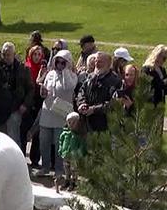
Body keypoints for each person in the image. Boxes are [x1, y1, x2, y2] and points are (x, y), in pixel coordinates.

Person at [39, 50, 77, 185]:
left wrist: (66, 70)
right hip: (47, 112)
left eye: (63, 62)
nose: (60, 64)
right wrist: (43, 92)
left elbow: (68, 87)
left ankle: (59, 169)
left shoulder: (72, 76)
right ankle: (45, 167)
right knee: (44, 142)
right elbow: (46, 90)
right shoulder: (50, 74)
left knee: (59, 144)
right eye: (58, 61)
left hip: (61, 115)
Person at [78, 52, 121, 134]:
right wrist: (82, 103)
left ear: (108, 64)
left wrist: (94, 109)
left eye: (100, 62)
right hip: (88, 124)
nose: (97, 64)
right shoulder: (90, 77)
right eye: (96, 61)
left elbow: (114, 103)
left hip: (105, 126)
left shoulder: (115, 81)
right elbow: (81, 91)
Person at [0, 42, 33, 143]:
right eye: (4, 54)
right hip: (1, 109)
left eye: (8, 54)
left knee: (13, 138)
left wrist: (25, 104)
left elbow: (31, 89)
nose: (6, 57)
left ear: (14, 54)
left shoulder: (23, 69)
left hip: (16, 108)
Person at [141, 44, 167, 109]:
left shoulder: (161, 69)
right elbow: (146, 86)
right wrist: (162, 83)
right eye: (164, 58)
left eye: (166, 58)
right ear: (157, 55)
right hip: (150, 101)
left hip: (160, 99)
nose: (165, 60)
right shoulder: (147, 69)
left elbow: (164, 79)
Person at [59, 112, 85, 189]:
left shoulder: (79, 135)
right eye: (69, 122)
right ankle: (67, 180)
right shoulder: (65, 133)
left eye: (74, 122)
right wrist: (61, 149)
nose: (71, 124)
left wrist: (80, 153)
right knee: (66, 168)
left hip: (74, 156)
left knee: (74, 169)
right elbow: (61, 141)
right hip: (66, 154)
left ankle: (74, 182)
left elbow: (82, 145)